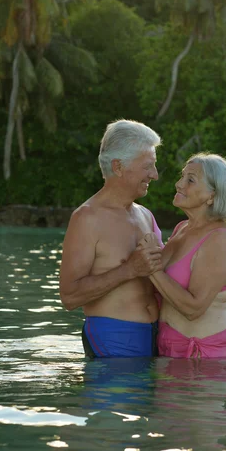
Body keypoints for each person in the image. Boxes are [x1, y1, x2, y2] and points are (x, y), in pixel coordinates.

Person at [59, 119, 164, 358]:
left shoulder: (145, 215)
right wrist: (129, 269)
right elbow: (69, 296)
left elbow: (162, 269)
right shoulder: (87, 218)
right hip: (113, 338)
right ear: (118, 167)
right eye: (148, 166)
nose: (155, 175)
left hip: (157, 336)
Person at [139, 153, 226, 359]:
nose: (179, 184)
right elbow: (159, 283)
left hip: (204, 356)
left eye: (190, 180)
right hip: (168, 351)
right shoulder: (182, 228)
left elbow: (193, 308)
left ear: (212, 195)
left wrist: (150, 266)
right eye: (182, 176)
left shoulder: (219, 239)